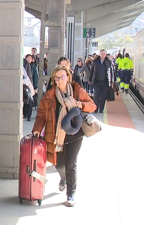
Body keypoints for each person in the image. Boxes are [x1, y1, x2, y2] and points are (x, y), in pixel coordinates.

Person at [32, 65, 96, 207]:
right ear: (54, 80)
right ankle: (64, 179)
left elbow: (92, 106)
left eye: (62, 77)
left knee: (71, 163)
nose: (60, 80)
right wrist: (37, 129)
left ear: (68, 77)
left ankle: (71, 194)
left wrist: (80, 104)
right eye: (57, 78)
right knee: (59, 164)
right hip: (57, 136)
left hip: (75, 134)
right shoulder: (49, 96)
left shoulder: (77, 91)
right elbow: (41, 114)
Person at [89, 49, 115, 113]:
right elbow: (92, 71)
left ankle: (101, 109)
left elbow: (112, 72)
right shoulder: (95, 61)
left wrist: (112, 81)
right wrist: (90, 79)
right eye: (101, 53)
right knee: (96, 95)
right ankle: (95, 108)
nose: (103, 55)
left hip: (105, 82)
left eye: (104, 53)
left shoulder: (109, 62)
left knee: (103, 96)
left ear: (106, 54)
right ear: (99, 54)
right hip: (96, 81)